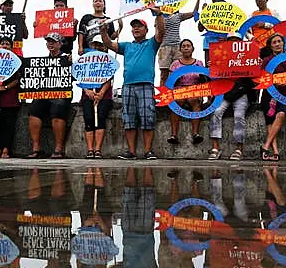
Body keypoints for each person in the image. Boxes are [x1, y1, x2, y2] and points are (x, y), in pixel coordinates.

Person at [101, 11, 165, 160]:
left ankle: (148, 151)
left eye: (139, 26)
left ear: (146, 30)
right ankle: (131, 152)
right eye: (134, 27)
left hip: (146, 85)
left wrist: (159, 14)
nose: (136, 29)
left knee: (147, 117)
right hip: (128, 86)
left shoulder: (151, 43)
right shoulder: (127, 46)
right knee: (128, 119)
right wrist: (103, 31)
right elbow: (108, 44)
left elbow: (161, 31)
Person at [208, 32, 258, 161]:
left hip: (241, 92)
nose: (233, 42)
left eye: (236, 40)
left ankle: (239, 149)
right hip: (224, 92)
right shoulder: (221, 56)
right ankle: (215, 147)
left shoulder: (247, 56)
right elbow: (213, 77)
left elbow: (254, 76)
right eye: (230, 40)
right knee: (216, 112)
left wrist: (256, 63)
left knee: (239, 116)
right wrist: (211, 66)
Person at [27, 32, 72, 159]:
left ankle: (59, 148)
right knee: (33, 110)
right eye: (48, 41)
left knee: (57, 111)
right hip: (45, 93)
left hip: (61, 93)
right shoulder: (43, 61)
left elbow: (74, 77)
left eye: (53, 41)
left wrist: (71, 64)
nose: (50, 43)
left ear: (60, 44)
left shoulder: (67, 58)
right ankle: (36, 148)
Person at [259, 33, 286, 161]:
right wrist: (274, 82)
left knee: (280, 115)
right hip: (269, 95)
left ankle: (265, 146)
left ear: (283, 43)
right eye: (274, 42)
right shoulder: (267, 60)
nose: (277, 44)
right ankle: (275, 151)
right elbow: (262, 77)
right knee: (270, 121)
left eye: (279, 41)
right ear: (270, 46)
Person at [0, 37, 22, 158]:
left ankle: (6, 150)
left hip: (10, 98)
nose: (4, 46)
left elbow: (18, 79)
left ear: (12, 47)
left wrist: (5, 87)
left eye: (7, 44)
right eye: (2, 43)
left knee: (9, 125)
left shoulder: (16, 61)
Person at [167, 38, 205, 146]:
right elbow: (170, 82)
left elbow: (205, 81)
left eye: (188, 46)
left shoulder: (199, 63)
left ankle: (195, 133)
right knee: (177, 101)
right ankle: (174, 134)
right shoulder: (175, 64)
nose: (186, 48)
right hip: (179, 90)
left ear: (192, 49)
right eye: (183, 46)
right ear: (180, 49)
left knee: (194, 100)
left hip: (194, 90)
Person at [81, 35, 113, 158]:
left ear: (105, 47)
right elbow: (80, 76)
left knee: (100, 118)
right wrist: (87, 90)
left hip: (104, 96)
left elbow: (109, 79)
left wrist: (100, 94)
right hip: (87, 95)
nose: (97, 47)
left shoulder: (108, 60)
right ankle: (90, 150)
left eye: (100, 45)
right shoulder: (85, 60)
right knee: (88, 119)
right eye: (95, 45)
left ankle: (98, 149)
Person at [158, 0, 201, 86]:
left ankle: (177, 97)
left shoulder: (178, 15)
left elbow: (194, 13)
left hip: (177, 47)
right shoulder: (159, 16)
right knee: (164, 75)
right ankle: (164, 97)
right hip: (164, 47)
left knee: (178, 74)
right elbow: (158, 32)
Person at [197, 0, 226, 66]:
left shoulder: (229, 9)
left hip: (224, 44)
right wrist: (203, 13)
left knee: (224, 68)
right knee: (209, 69)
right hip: (209, 44)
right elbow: (200, 29)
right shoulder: (207, 9)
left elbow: (234, 28)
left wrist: (227, 37)